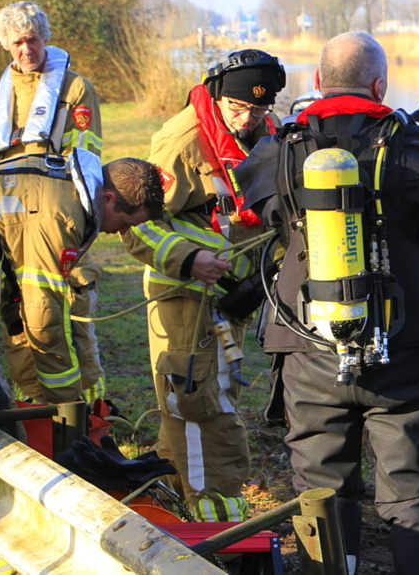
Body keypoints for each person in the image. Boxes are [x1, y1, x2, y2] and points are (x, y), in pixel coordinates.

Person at [236, 32, 419, 575]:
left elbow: (256, 207)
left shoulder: (280, 146)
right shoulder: (413, 142)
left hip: (308, 346)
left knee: (322, 492)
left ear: (316, 82)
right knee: (414, 494)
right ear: (380, 86)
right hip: (407, 347)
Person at [121, 49, 286, 522]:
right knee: (196, 401)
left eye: (258, 110)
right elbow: (139, 223)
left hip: (233, 292)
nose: (245, 120)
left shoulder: (266, 134)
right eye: (237, 109)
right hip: (184, 294)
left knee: (213, 394)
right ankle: (216, 516)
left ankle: (167, 492)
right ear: (217, 94)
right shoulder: (182, 139)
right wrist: (190, 259)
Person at [0, 1, 106, 404]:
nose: (26, 50)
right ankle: (31, 405)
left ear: (45, 39)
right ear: (6, 45)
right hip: (7, 223)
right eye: (17, 42)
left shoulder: (74, 88)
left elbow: (86, 162)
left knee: (69, 317)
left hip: (56, 219)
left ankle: (88, 412)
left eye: (32, 40)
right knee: (16, 312)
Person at [0, 152, 164, 410]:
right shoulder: (59, 217)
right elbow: (44, 313)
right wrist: (68, 404)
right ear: (108, 198)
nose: (123, 232)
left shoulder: (60, 184)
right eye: (125, 222)